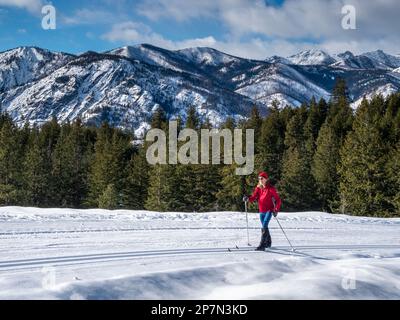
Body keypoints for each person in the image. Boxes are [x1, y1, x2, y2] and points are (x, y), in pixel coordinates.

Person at [243, 171, 282, 251]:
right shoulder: (258, 188)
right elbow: (253, 197)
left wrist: (276, 210)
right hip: (261, 210)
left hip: (269, 210)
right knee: (265, 227)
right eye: (259, 178)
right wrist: (248, 198)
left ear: (266, 179)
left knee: (264, 226)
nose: (260, 180)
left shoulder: (271, 188)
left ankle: (262, 245)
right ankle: (268, 242)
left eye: (262, 178)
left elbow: (278, 200)